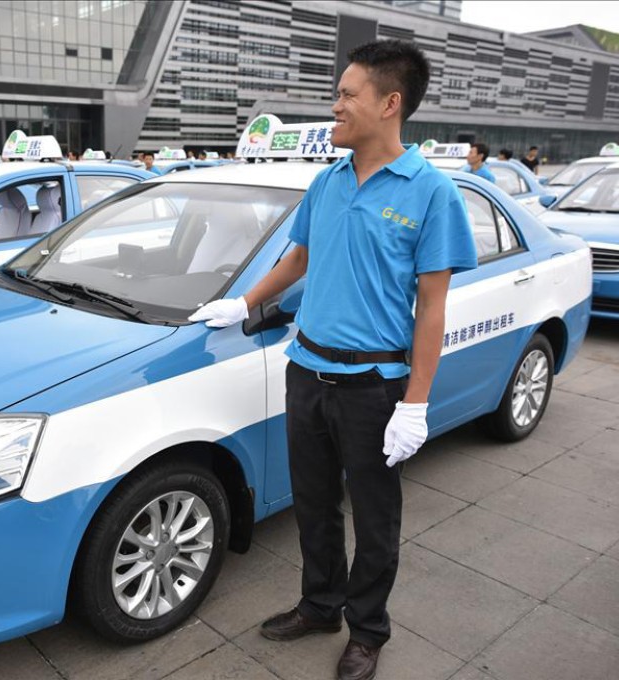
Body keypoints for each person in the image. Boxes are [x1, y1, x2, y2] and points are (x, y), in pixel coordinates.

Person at [189, 40, 476, 680]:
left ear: (390, 102)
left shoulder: (431, 193)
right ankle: (319, 606)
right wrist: (243, 304)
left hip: (373, 384)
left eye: (348, 94)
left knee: (376, 521)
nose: (336, 105)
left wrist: (416, 403)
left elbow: (432, 308)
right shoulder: (328, 180)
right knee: (314, 506)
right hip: (307, 372)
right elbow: (297, 258)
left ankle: (367, 631)